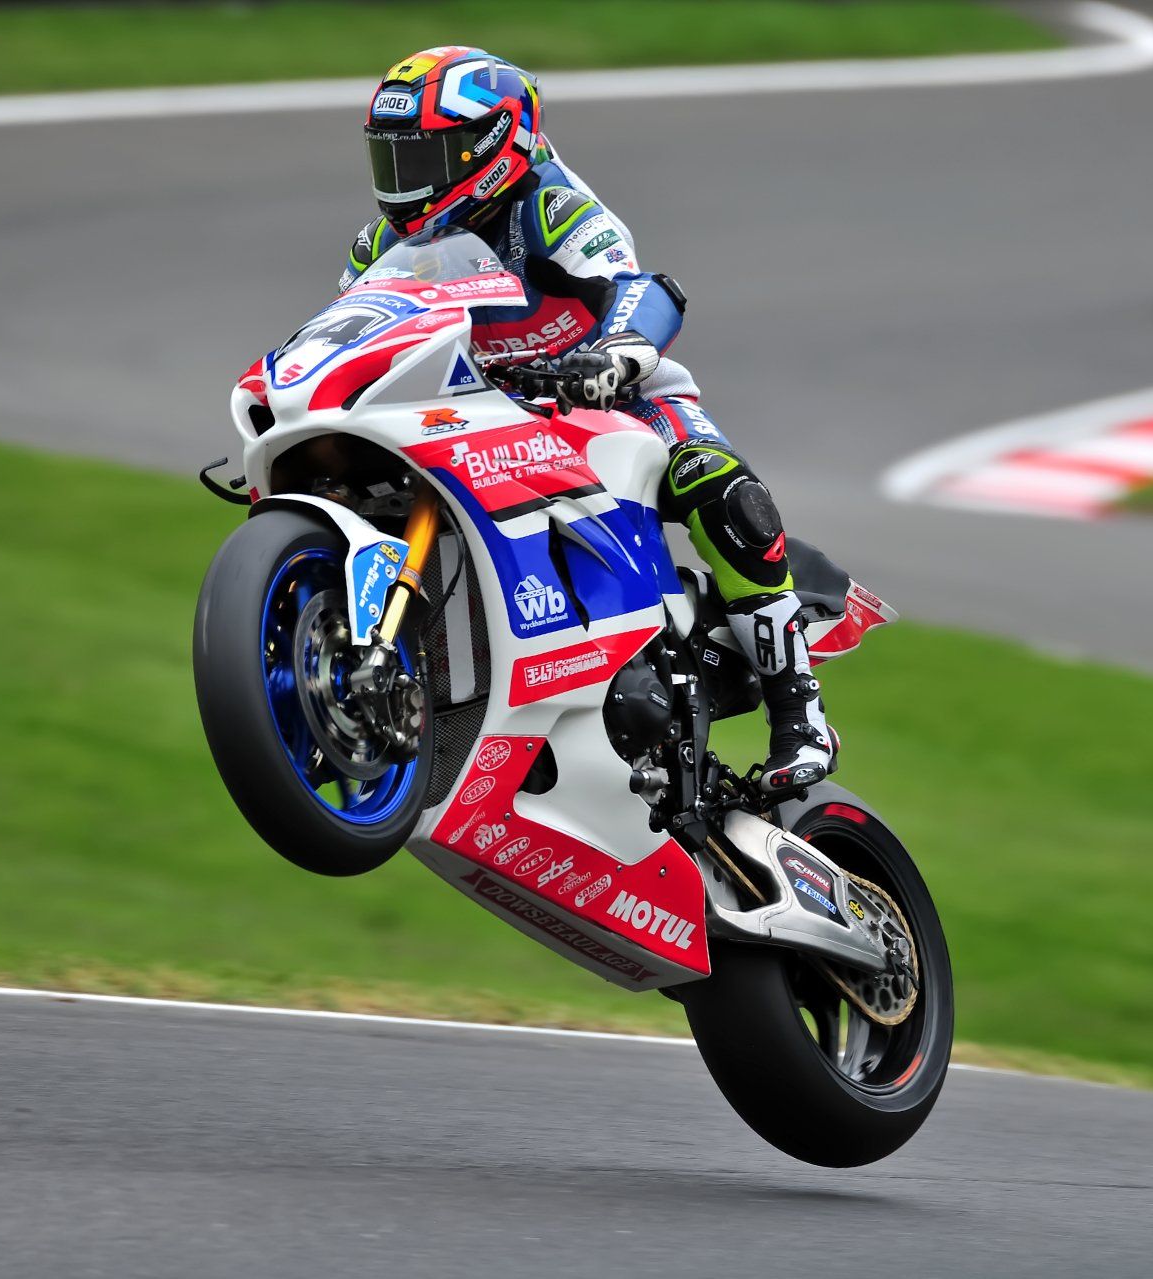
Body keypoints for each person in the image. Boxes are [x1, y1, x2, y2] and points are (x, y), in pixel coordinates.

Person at [339, 46, 832, 794]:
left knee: (712, 480)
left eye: (426, 157)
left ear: (492, 146)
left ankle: (801, 713)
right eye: (393, 159)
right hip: (483, 417)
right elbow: (345, 336)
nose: (404, 184)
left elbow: (645, 287)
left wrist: (619, 354)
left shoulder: (549, 204)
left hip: (613, 397)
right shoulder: (382, 249)